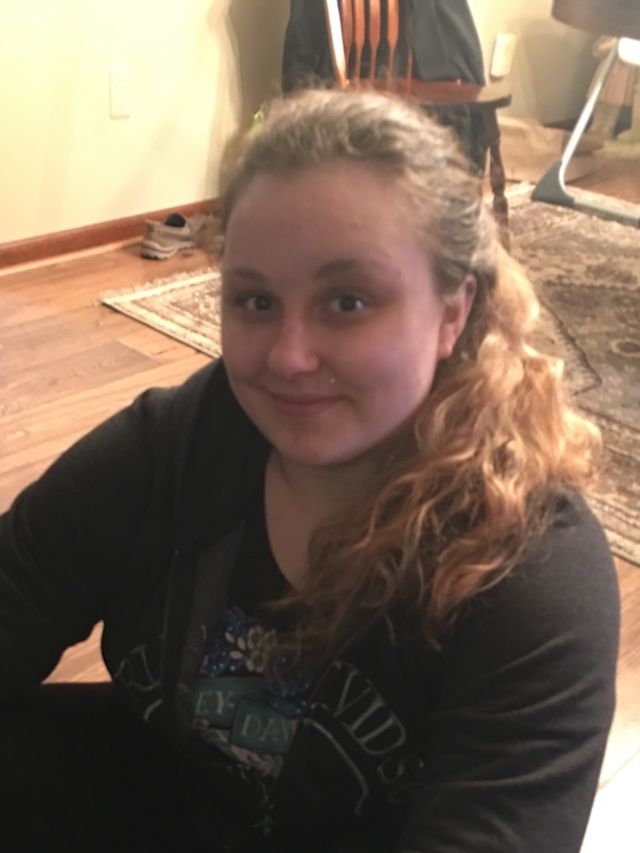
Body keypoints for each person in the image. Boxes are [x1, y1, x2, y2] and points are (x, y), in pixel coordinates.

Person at [0, 88, 619, 853]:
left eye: (348, 301)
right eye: (256, 300)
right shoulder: (176, 445)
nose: (288, 357)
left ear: (452, 312)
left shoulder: (531, 572)